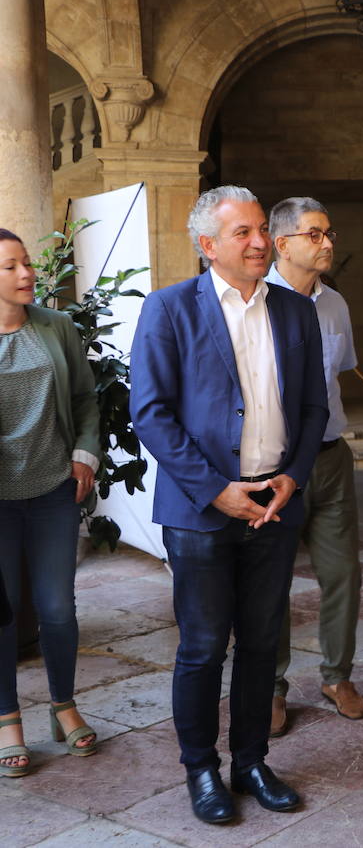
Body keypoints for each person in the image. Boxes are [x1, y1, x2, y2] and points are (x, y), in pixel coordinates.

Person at [131, 187, 328, 825]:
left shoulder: (295, 311)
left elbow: (313, 407)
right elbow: (150, 413)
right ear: (207, 246)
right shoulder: (169, 308)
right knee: (202, 646)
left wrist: (293, 477)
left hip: (274, 503)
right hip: (200, 510)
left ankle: (250, 761)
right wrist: (216, 489)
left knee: (262, 643)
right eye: (242, 232)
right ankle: (201, 769)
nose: (260, 241)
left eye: (261, 229)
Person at [0, 229, 100, 778]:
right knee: (4, 610)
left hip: (54, 491)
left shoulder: (57, 327)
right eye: (10, 266)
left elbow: (85, 399)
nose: (26, 273)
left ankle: (64, 706)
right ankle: (6, 719)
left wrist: (85, 453)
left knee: (58, 608)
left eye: (26, 263)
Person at [266, 197, 363, 733]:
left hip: (329, 458)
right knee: (271, 581)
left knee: (343, 573)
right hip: (275, 467)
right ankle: (271, 687)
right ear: (281, 244)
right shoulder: (256, 302)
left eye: (329, 233)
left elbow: (338, 371)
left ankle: (337, 675)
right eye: (314, 234)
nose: (327, 243)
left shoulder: (336, 305)